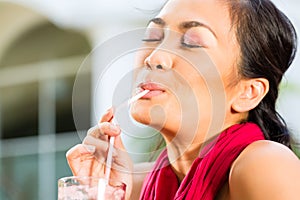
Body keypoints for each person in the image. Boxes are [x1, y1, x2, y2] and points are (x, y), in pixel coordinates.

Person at [66, 0, 300, 199]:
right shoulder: (133, 186)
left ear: (248, 92)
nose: (155, 57)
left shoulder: (264, 165)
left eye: (191, 42)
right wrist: (100, 191)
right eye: (153, 36)